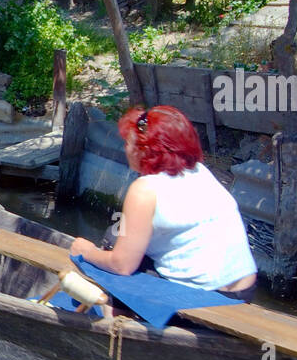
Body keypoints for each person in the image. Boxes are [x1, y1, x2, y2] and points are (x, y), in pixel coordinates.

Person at [69, 105, 259, 300]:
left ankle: (114, 313)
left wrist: (87, 251)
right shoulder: (200, 171)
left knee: (114, 240)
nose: (126, 148)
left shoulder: (145, 189)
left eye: (129, 143)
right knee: (128, 238)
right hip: (245, 290)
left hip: (206, 298)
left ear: (144, 150)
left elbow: (122, 265)